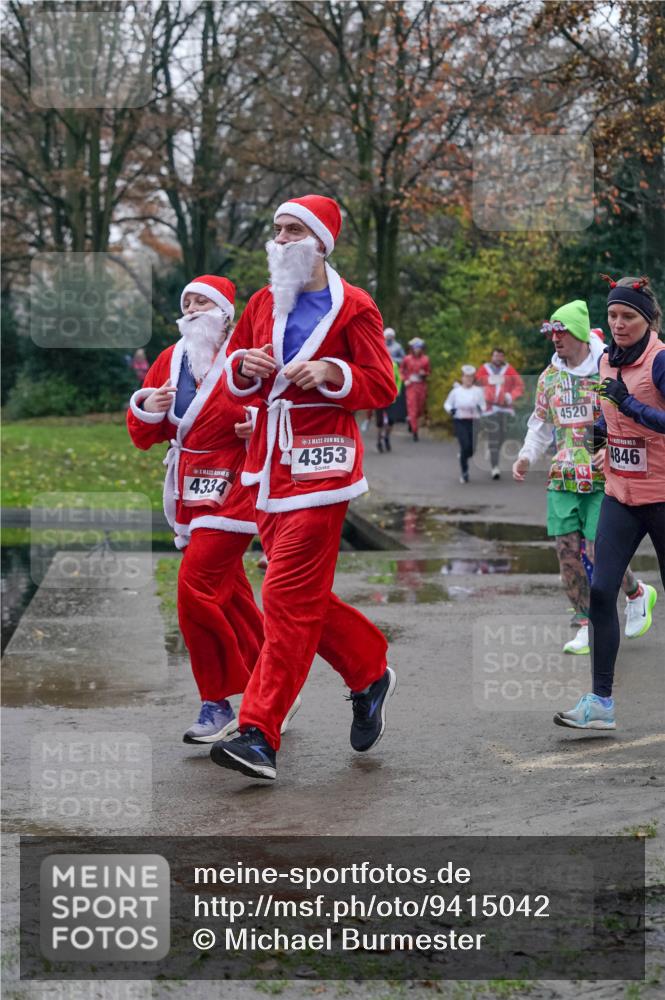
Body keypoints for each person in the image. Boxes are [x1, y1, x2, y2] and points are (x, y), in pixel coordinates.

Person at [211, 194, 397, 781]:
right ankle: (369, 671)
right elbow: (231, 373)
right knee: (300, 596)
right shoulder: (265, 302)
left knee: (285, 598)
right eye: (278, 229)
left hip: (323, 469)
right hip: (267, 465)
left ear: (321, 242)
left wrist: (330, 373)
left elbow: (381, 385)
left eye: (294, 230)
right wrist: (246, 370)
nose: (282, 238)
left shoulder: (354, 308)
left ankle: (258, 734)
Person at [126, 275, 265, 745]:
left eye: (202, 301)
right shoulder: (171, 359)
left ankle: (217, 700)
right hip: (188, 486)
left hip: (236, 483)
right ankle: (271, 684)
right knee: (230, 594)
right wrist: (147, 405)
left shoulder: (248, 352)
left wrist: (256, 425)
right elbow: (144, 433)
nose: (192, 308)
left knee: (194, 588)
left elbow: (279, 402)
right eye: (186, 302)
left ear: (226, 311)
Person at [554, 275, 665, 730]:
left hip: (661, 495)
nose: (618, 324)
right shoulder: (606, 361)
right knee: (600, 591)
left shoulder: (659, 363)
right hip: (621, 493)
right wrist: (602, 438)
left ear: (648, 319)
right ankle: (600, 703)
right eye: (613, 316)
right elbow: (607, 410)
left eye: (629, 317)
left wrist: (631, 406)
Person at [512, 300, 653, 655]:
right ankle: (583, 623)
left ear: (577, 333)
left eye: (562, 333)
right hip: (562, 477)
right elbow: (540, 425)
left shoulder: (606, 367)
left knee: (598, 552)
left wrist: (614, 445)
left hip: (603, 477)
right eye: (553, 334)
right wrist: (526, 455)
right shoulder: (549, 377)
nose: (556, 340)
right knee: (567, 553)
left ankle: (636, 592)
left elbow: (629, 414)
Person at [476, 347, 525, 478]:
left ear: (503, 357)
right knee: (494, 435)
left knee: (502, 436)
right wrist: (481, 399)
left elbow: (519, 386)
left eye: (500, 356)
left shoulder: (509, 370)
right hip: (490, 409)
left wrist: (511, 396)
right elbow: (477, 385)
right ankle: (495, 467)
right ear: (492, 357)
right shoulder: (484, 369)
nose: (498, 358)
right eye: (495, 356)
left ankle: (494, 452)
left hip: (505, 408)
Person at [444, 364, 487, 483]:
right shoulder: (456, 391)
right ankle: (464, 472)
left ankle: (463, 455)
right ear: (462, 378)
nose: (468, 379)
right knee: (465, 445)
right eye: (466, 377)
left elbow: (483, 405)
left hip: (474, 421)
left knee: (472, 449)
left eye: (470, 377)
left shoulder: (478, 391)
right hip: (460, 421)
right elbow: (447, 404)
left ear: (473, 379)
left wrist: (480, 408)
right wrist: (451, 410)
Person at [400, 337, 430, 441]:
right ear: (412, 348)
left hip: (421, 385)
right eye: (415, 348)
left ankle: (411, 421)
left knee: (419, 409)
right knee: (412, 407)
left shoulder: (425, 359)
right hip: (411, 385)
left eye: (419, 348)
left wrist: (424, 374)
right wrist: (405, 379)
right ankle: (414, 431)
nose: (417, 350)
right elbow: (401, 370)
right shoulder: (407, 359)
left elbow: (428, 372)